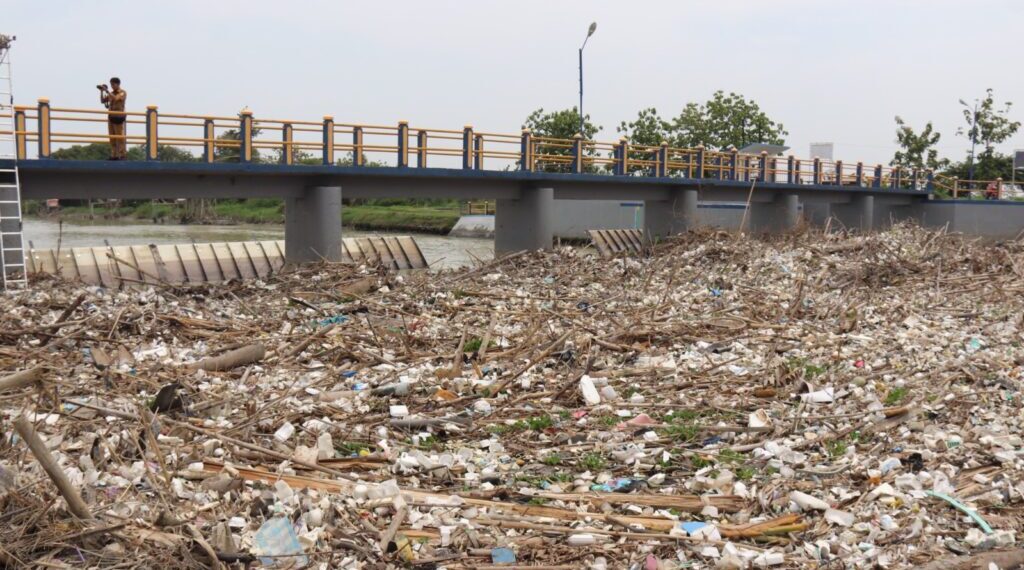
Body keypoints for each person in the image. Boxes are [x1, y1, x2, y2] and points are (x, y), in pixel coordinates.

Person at [98, 77, 127, 160]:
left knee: (119, 137)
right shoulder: (111, 93)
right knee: (112, 137)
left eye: (113, 84)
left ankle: (122, 155)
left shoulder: (122, 92)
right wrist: (102, 92)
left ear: (118, 84)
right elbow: (103, 101)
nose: (112, 86)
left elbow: (116, 98)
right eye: (111, 84)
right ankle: (114, 154)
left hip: (118, 116)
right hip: (111, 116)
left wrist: (107, 91)